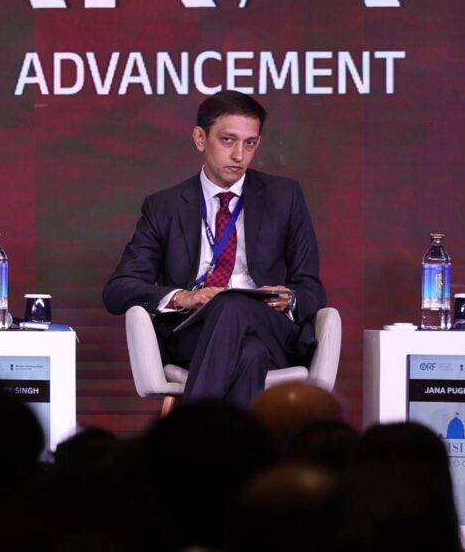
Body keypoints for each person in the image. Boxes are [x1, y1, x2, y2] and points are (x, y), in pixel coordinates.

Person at [102, 91, 327, 410]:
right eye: (228, 140)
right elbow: (118, 290)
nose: (239, 155)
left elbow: (312, 288)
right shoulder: (165, 207)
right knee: (249, 352)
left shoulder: (284, 196)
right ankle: (230, 443)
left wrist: (288, 298)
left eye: (250, 143)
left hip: (271, 329)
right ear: (200, 138)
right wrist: (183, 297)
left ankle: (188, 432)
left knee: (232, 304)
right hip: (194, 334)